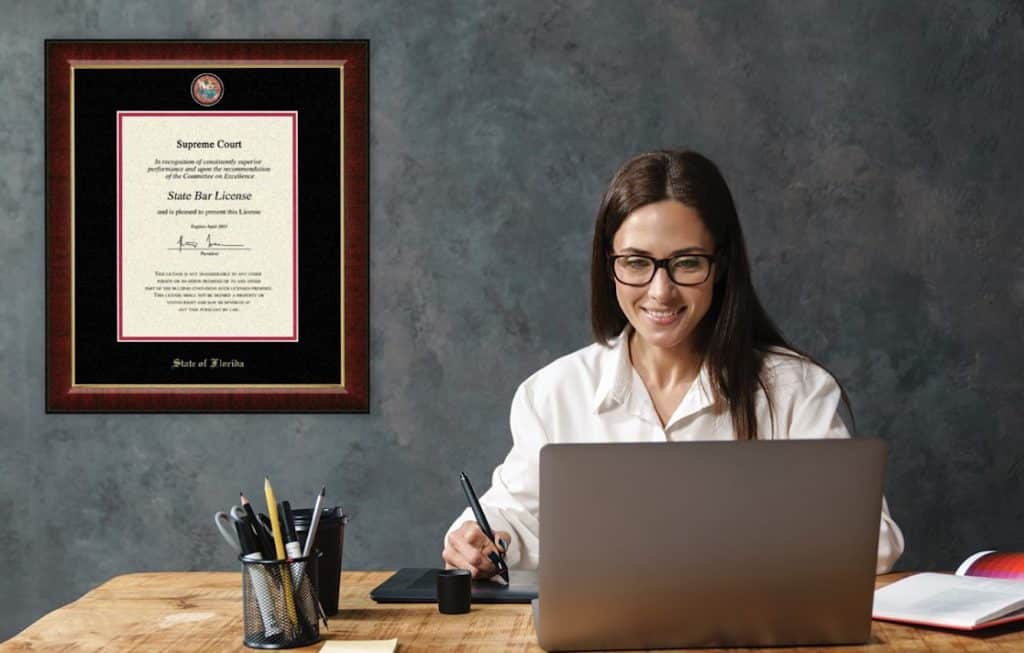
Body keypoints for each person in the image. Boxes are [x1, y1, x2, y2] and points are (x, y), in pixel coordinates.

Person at [442, 149, 904, 578]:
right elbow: (512, 515)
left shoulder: (795, 389)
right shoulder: (552, 393)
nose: (660, 291)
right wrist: (480, 539)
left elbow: (875, 542)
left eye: (686, 263)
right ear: (610, 265)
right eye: (637, 262)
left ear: (720, 265)